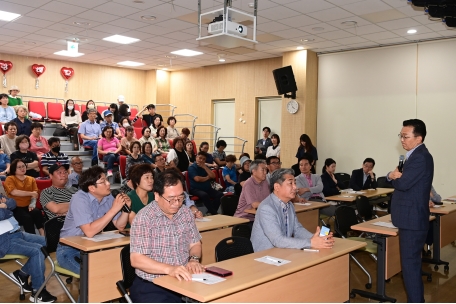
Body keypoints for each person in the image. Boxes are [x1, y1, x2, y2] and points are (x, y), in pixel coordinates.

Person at [129, 169, 204, 302]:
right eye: (171, 199)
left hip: (183, 278)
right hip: (152, 285)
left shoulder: (185, 213)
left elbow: (195, 243)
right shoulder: (144, 218)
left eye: (180, 198)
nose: (176, 203)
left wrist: (193, 259)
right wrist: (170, 269)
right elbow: (136, 259)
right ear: (157, 196)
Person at [387, 119, 433, 303]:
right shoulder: (412, 156)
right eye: (401, 136)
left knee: (411, 268)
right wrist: (393, 176)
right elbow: (400, 178)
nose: (402, 140)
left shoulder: (421, 157)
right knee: (410, 266)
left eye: (405, 136)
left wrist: (392, 177)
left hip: (412, 220)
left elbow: (403, 183)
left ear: (418, 138)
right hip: (409, 219)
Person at [57, 166, 131, 274]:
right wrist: (114, 209)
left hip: (93, 246)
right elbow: (90, 232)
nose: (108, 184)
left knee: (118, 268)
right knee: (94, 274)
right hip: (70, 249)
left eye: (107, 180)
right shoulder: (79, 199)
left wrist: (125, 210)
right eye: (103, 181)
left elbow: (120, 226)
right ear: (92, 188)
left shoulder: (108, 196)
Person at [251, 168, 335, 252]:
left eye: (295, 183)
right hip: (265, 255)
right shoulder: (266, 208)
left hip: (282, 251)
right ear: (277, 187)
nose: (295, 187)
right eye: (290, 183)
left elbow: (297, 229)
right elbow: (278, 240)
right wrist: (311, 242)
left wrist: (315, 238)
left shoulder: (289, 204)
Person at [0, 196, 57, 302]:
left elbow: (13, 203)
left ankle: (22, 274)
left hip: (17, 233)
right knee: (38, 250)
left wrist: (5, 206)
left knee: (49, 243)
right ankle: (38, 292)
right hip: (4, 241)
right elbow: (3, 214)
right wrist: (5, 208)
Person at [4, 159, 43, 235]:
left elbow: (35, 193)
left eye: (23, 166)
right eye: (19, 167)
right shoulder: (10, 179)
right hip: (15, 207)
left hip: (29, 205)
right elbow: (14, 192)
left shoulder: (31, 179)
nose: (22, 168)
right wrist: (30, 193)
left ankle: (42, 234)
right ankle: (33, 238)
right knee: (27, 218)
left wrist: (32, 204)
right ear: (14, 169)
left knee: (37, 212)